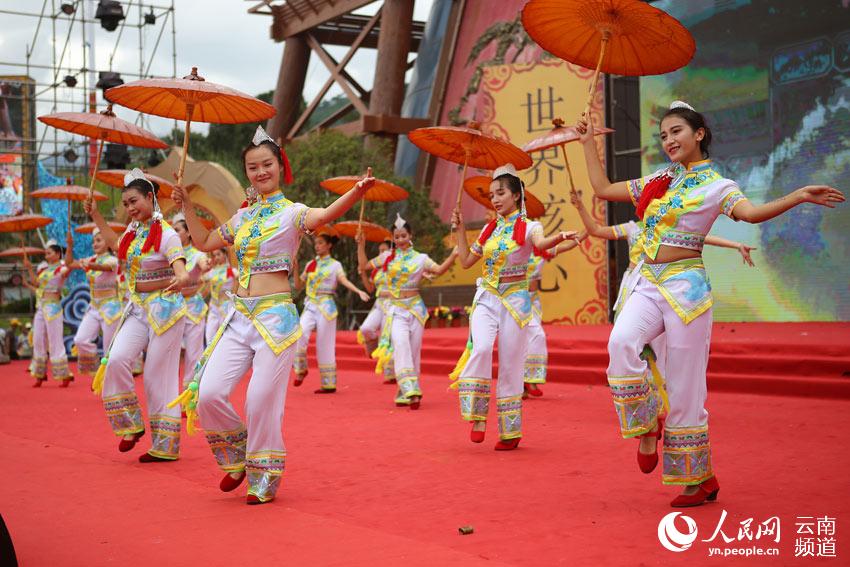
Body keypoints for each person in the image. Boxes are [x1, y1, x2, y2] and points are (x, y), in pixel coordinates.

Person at [576, 100, 844, 506]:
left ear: (698, 134)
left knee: (686, 388)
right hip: (647, 282)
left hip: (686, 290)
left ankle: (697, 479)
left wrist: (798, 196)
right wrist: (585, 143)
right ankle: (648, 425)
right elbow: (601, 189)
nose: (669, 140)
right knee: (620, 344)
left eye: (676, 132)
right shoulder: (658, 182)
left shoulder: (719, 186)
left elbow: (751, 215)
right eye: (663, 135)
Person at [170, 126, 375, 504]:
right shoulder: (242, 218)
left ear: (279, 166)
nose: (260, 172)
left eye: (266, 164)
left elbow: (324, 214)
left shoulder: (293, 213)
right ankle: (237, 455)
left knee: (260, 398)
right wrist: (185, 206)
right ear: (246, 171)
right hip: (238, 316)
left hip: (275, 317)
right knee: (209, 393)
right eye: (252, 167)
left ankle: (265, 472)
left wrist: (356, 191)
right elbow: (204, 242)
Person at [450, 164, 579, 449]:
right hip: (487, 297)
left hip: (516, 301)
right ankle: (478, 415)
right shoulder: (488, 229)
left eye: (500, 193)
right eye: (491, 195)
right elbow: (466, 261)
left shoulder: (531, 227)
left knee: (510, 364)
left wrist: (559, 237)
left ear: (517, 195)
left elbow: (542, 243)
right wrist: (460, 230)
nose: (494, 199)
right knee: (481, 348)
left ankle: (510, 431)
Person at [84, 168, 191, 462]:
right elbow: (116, 245)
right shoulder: (133, 232)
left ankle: (166, 445)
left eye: (134, 201)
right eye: (126, 204)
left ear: (149, 197)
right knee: (116, 359)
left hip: (166, 311)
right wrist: (95, 215)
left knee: (159, 376)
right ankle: (131, 424)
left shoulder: (167, 233)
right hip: (138, 308)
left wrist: (181, 276)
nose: (130, 208)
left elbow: (179, 264)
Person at [368, 213, 457, 409]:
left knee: (414, 350)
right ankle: (411, 389)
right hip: (396, 309)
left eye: (403, 236)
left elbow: (440, 270)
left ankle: (404, 390)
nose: (400, 240)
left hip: (415, 309)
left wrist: (453, 255)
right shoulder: (386, 258)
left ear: (410, 236)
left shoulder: (421, 258)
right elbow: (364, 266)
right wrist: (359, 245)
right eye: (396, 237)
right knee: (400, 344)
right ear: (393, 238)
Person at [293, 232, 370, 393]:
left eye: (321, 243)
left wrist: (358, 291)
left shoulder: (335, 265)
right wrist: (296, 267)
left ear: (329, 245)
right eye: (316, 243)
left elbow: (344, 281)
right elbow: (299, 285)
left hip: (326, 307)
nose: (317, 246)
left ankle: (328, 383)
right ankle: (301, 369)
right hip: (310, 305)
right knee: (299, 333)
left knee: (325, 344)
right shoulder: (311, 264)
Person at [522, 230, 586, 398]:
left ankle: (524, 384)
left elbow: (569, 245)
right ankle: (529, 380)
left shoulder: (542, 252)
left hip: (533, 301)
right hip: (516, 301)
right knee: (536, 336)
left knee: (528, 339)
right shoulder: (514, 252)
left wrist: (589, 230)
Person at [68, 228, 121, 379]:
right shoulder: (91, 259)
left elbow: (104, 267)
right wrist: (70, 246)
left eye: (99, 240)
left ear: (108, 243)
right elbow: (70, 263)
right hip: (94, 308)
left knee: (109, 348)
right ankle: (98, 368)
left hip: (111, 308)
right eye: (94, 241)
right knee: (80, 340)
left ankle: (112, 383)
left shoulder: (112, 260)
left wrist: (89, 265)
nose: (95, 244)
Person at [22, 239, 72, 387]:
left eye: (49, 253)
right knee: (38, 340)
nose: (46, 255)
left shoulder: (61, 268)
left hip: (53, 307)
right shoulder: (44, 270)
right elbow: (37, 284)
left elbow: (69, 265)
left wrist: (69, 246)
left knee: (55, 341)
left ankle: (64, 374)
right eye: (46, 253)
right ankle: (39, 374)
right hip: (41, 307)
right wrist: (29, 268)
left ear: (57, 254)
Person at [173, 214, 211, 387]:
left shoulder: (196, 255)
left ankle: (191, 395)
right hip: (171, 307)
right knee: (167, 353)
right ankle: (168, 395)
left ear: (188, 233)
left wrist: (205, 265)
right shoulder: (168, 254)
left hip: (193, 308)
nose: (173, 234)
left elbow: (203, 262)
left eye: (177, 230)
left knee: (194, 354)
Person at [356, 236, 395, 383]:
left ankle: (391, 373)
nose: (381, 253)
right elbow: (370, 288)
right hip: (379, 303)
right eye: (380, 251)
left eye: (384, 250)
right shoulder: (377, 271)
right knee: (366, 329)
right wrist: (361, 245)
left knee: (388, 337)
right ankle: (373, 349)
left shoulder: (397, 263)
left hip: (393, 303)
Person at [203, 248, 235, 345]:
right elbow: (201, 279)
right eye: (214, 255)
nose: (216, 257)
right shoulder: (213, 271)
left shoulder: (230, 270)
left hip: (226, 307)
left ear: (225, 254)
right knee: (209, 336)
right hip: (213, 307)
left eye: (218, 254)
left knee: (224, 336)